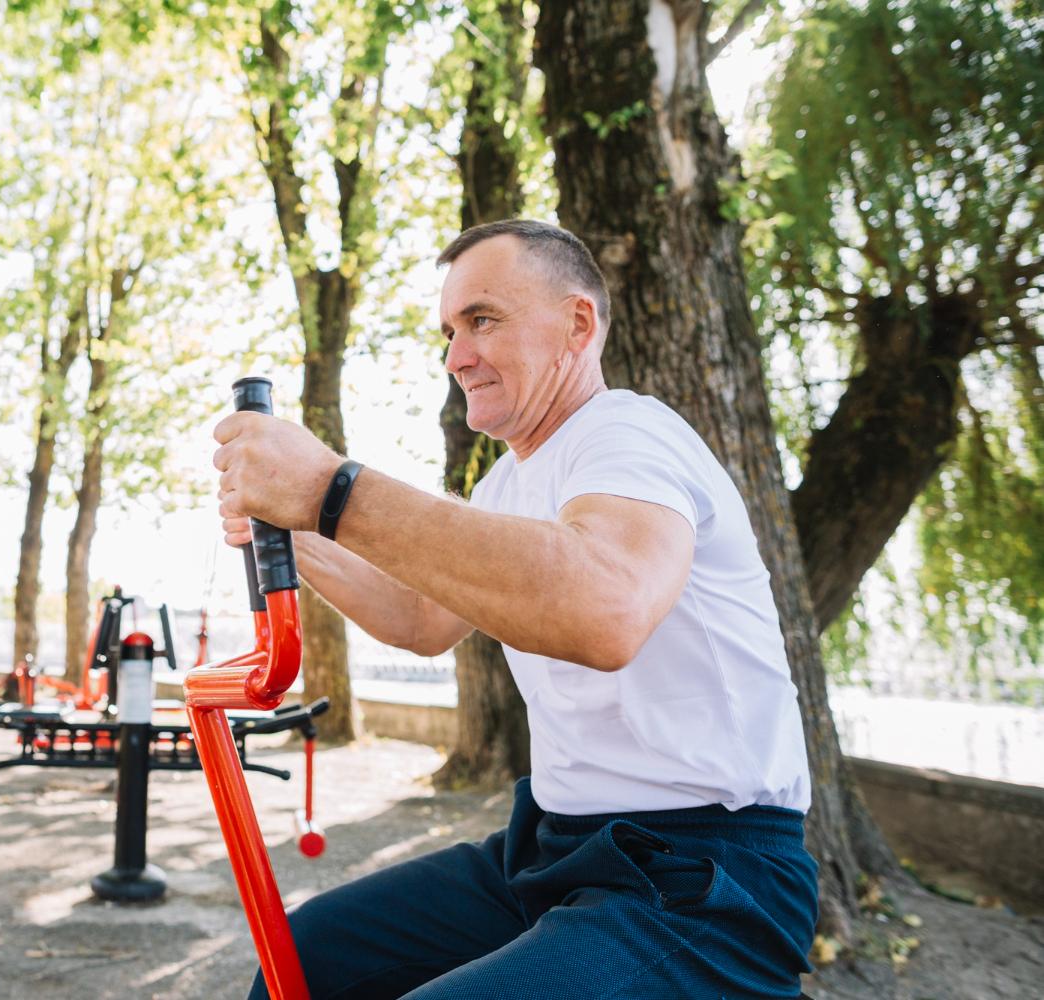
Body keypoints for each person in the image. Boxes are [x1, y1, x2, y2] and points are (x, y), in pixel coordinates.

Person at [212, 219, 818, 999]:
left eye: (482, 320)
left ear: (578, 324)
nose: (456, 356)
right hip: (553, 847)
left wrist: (331, 491)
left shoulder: (629, 435)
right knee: (301, 961)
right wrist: (294, 536)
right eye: (450, 331)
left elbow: (605, 609)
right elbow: (421, 621)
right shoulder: (507, 482)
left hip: (703, 878)